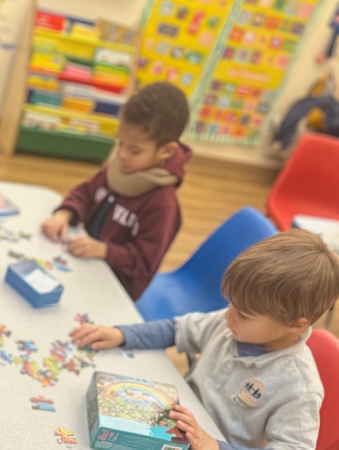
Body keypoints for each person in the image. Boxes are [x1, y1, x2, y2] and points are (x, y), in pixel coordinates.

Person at [70, 230, 339, 450]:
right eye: (231, 305)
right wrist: (123, 334)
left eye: (242, 314)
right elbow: (176, 329)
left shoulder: (300, 389)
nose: (228, 316)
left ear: (295, 324)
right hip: (177, 425)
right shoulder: (230, 321)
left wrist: (216, 446)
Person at [41, 81, 191, 300]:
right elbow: (85, 192)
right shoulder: (122, 167)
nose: (122, 155)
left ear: (166, 151)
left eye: (134, 149)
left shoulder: (163, 204)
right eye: (121, 143)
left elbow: (144, 262)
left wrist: (104, 251)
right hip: (84, 261)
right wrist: (65, 213)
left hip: (115, 288)